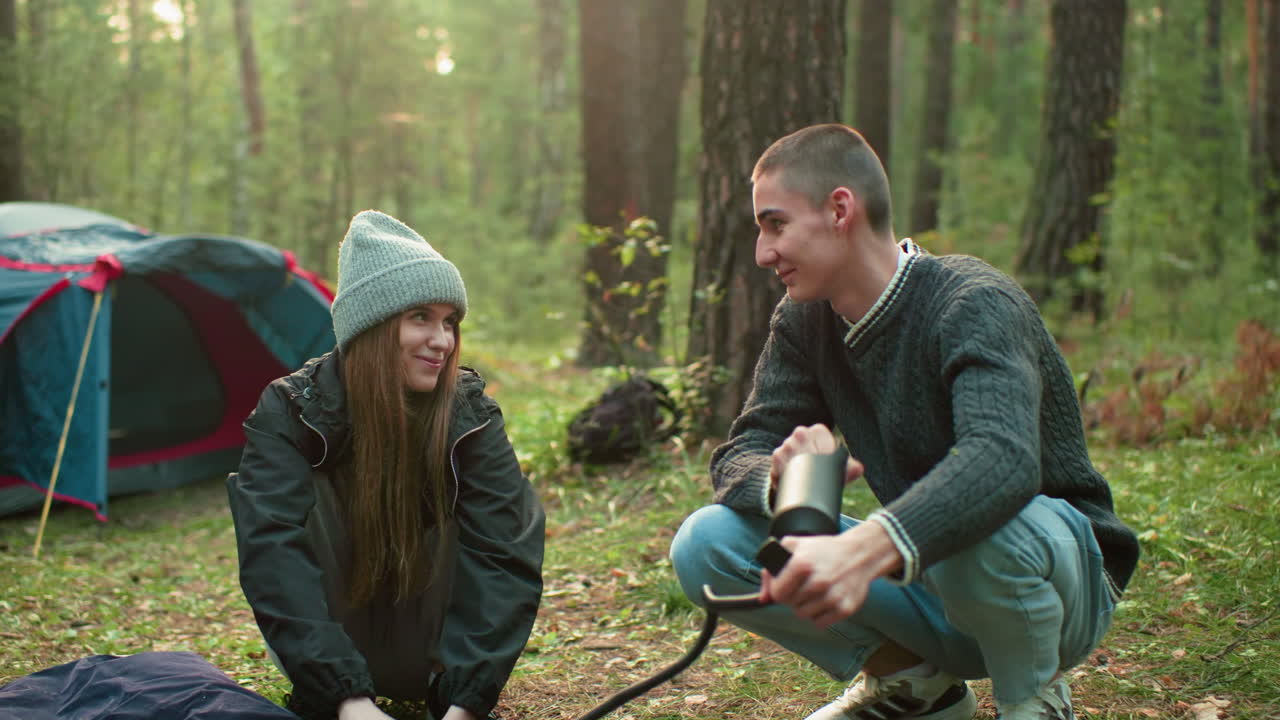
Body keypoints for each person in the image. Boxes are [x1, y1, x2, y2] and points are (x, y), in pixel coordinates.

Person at [669, 124, 1139, 720]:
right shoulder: (805, 321)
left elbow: (1003, 460)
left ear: (840, 209)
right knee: (708, 542)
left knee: (975, 519)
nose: (764, 254)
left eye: (775, 224)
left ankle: (1033, 699)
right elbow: (741, 450)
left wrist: (866, 548)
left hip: (1058, 583)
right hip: (935, 586)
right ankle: (916, 688)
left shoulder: (973, 301)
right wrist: (785, 484)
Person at [227, 210, 545, 720]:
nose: (441, 340)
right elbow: (272, 551)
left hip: (438, 655)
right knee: (281, 510)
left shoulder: (468, 412)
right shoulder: (291, 410)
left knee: (506, 510)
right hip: (326, 652)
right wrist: (349, 703)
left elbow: (502, 553)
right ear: (372, 325)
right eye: (420, 317)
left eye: (449, 321)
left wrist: (465, 705)